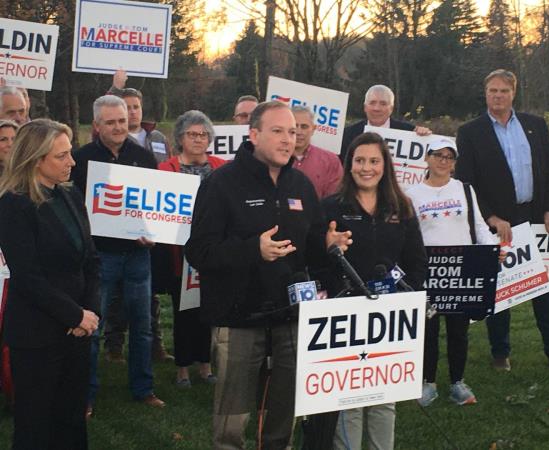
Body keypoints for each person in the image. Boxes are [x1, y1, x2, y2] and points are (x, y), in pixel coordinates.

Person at [185, 100, 351, 449]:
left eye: (292, 132)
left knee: (283, 417)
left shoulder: (302, 185)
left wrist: (328, 243)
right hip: (238, 317)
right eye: (278, 131)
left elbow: (311, 248)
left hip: (291, 317)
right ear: (254, 134)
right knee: (232, 424)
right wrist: (251, 250)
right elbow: (199, 251)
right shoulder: (222, 183)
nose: (288, 139)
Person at [455, 69, 549, 372]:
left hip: (534, 216)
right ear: (485, 93)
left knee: (543, 290)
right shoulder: (470, 132)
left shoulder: (535, 125)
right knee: (500, 289)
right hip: (497, 221)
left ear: (513, 93)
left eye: (503, 91)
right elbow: (466, 183)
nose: (497, 96)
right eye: (492, 91)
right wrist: (490, 217)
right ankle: (500, 354)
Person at [322, 132, 427, 450]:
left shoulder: (402, 207)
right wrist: (326, 247)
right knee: (348, 398)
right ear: (349, 164)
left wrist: (406, 297)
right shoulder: (332, 207)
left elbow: (417, 261)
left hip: (390, 316)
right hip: (345, 314)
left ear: (385, 166)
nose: (366, 168)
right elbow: (316, 263)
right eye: (359, 161)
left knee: (385, 397)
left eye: (374, 161)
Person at [0, 119, 100, 449]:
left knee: (72, 417)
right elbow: (27, 277)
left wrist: (89, 314)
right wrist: (74, 316)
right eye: (62, 156)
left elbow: (90, 260)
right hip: (37, 334)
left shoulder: (70, 195)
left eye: (70, 153)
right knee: (36, 423)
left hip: (78, 330)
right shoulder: (14, 205)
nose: (72, 162)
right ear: (36, 159)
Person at [71, 95, 165, 415]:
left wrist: (153, 233)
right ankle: (86, 393)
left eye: (122, 121)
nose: (118, 127)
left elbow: (154, 207)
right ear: (96, 126)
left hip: (138, 255)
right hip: (99, 258)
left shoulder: (144, 157)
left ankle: (144, 388)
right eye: (110, 122)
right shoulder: (80, 160)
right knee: (93, 327)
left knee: (142, 325)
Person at [406, 137, 499, 407]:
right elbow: (409, 236)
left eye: (449, 157)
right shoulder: (412, 194)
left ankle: (458, 382)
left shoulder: (464, 189)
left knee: (459, 330)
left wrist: (493, 251)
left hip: (462, 272)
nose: (443, 161)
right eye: (438, 155)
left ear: (454, 162)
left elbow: (479, 226)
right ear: (427, 158)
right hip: (428, 272)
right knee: (429, 330)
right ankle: (428, 382)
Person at [104, 69, 173, 363]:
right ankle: (115, 343)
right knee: (116, 289)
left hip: (152, 223)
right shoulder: (109, 136)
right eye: (127, 107)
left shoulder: (156, 137)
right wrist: (115, 86)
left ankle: (155, 343)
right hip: (116, 218)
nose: (132, 112)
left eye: (135, 107)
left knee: (150, 288)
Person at [158, 110, 226, 387]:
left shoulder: (222, 167)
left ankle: (206, 365)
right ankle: (183, 367)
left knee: (209, 309)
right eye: (192, 134)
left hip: (213, 252)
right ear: (180, 138)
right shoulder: (166, 169)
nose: (199, 139)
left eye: (203, 134)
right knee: (183, 311)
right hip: (179, 253)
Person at [340, 84, 431, 162]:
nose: (377, 108)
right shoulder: (347, 135)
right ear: (365, 107)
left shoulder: (410, 133)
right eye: (372, 103)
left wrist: (425, 138)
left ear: (391, 108)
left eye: (383, 104)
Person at [291, 105, 343, 198]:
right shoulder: (273, 157)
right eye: (294, 126)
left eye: (304, 127)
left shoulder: (331, 162)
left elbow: (334, 201)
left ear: (313, 129)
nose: (298, 132)